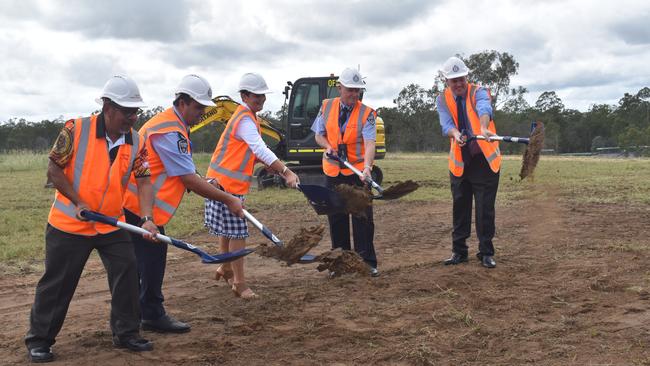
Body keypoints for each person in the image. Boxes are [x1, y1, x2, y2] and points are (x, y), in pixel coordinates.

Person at [25, 75, 159, 363]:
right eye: (127, 111)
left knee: (127, 270)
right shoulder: (76, 129)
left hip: (111, 223)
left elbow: (145, 181)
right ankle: (40, 340)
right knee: (58, 282)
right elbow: (54, 170)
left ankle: (127, 333)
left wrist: (147, 218)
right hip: (70, 225)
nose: (132, 118)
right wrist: (78, 201)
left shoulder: (137, 141)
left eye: (136, 112)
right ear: (108, 107)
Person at [122, 74, 245, 333]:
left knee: (145, 263)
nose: (202, 113)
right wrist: (229, 199)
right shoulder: (170, 130)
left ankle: (141, 314)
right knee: (145, 263)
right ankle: (145, 316)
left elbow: (182, 171)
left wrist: (203, 180)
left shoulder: (172, 125)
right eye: (199, 107)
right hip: (137, 208)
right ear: (183, 102)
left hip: (142, 208)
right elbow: (187, 178)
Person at [205, 72, 299, 299]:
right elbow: (259, 148)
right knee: (237, 232)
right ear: (244, 96)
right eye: (257, 97)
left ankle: (226, 268)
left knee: (228, 231)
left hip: (222, 182)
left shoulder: (247, 117)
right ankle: (239, 282)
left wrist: (263, 163)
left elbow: (247, 151)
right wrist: (285, 171)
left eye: (263, 96)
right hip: (224, 184)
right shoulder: (245, 119)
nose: (262, 100)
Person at [311, 67, 380, 277]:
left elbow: (369, 143)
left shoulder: (367, 114)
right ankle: (339, 264)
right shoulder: (326, 106)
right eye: (350, 90)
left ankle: (366, 263)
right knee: (337, 218)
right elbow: (318, 135)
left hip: (357, 173)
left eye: (357, 91)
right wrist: (327, 146)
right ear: (340, 88)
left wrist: (367, 167)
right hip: (333, 172)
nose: (353, 95)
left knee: (362, 218)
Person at [436, 56, 501, 269]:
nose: (458, 84)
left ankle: (486, 253)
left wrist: (483, 128)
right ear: (446, 81)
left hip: (484, 160)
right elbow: (446, 124)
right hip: (460, 161)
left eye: (461, 78)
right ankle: (459, 252)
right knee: (460, 207)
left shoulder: (479, 91)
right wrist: (455, 134)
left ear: (467, 77)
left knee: (484, 209)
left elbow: (484, 108)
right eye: (453, 80)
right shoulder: (442, 99)